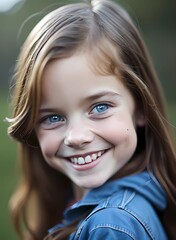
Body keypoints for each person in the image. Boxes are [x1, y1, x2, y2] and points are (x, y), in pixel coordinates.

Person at [7, 0, 176, 239]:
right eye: (53, 117)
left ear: (140, 108)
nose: (77, 137)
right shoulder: (78, 205)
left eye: (100, 107)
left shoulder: (110, 226)